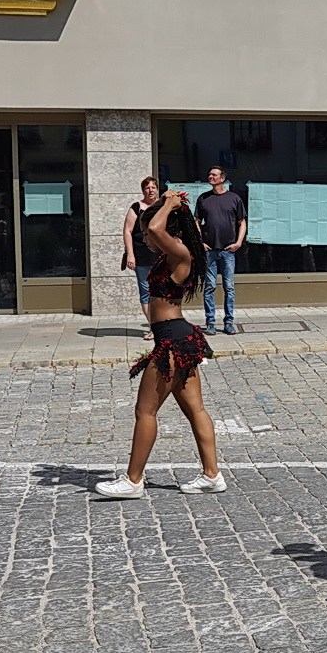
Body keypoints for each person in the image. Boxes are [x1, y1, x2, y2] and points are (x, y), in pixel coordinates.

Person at [96, 192, 226, 498]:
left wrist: (169, 203)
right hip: (178, 337)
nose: (145, 237)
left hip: (171, 340)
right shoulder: (173, 255)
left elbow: (156, 229)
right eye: (140, 233)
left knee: (145, 411)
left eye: (144, 232)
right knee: (196, 411)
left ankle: (132, 481)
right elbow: (154, 230)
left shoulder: (179, 252)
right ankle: (212, 475)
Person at [195, 166, 247, 335]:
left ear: (222, 178)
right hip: (209, 250)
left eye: (214, 174)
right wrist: (200, 241)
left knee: (229, 287)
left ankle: (228, 322)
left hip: (228, 250)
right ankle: (210, 322)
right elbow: (196, 221)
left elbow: (242, 222)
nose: (210, 176)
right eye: (209, 174)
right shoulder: (203, 198)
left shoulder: (234, 198)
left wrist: (239, 242)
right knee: (209, 287)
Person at [123, 176, 162, 335]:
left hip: (160, 256)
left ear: (157, 189)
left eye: (153, 187)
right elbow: (127, 231)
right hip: (141, 255)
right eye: (147, 188)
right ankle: (153, 327)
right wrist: (130, 255)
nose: (150, 190)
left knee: (160, 292)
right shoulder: (136, 207)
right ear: (143, 190)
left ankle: (161, 325)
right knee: (146, 292)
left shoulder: (162, 207)